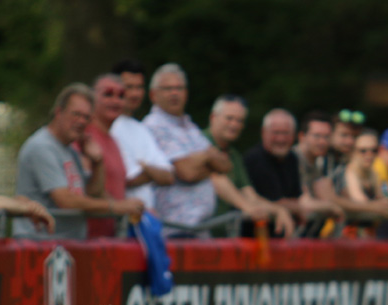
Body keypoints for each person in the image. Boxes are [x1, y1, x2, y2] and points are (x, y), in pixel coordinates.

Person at [15, 83, 143, 239]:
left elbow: (93, 193)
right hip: (39, 244)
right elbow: (66, 201)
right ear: (58, 112)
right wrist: (116, 207)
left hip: (66, 245)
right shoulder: (42, 147)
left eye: (86, 117)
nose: (81, 121)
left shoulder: (70, 150)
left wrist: (98, 162)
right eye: (76, 114)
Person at [143, 63, 232, 237]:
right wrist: (208, 157)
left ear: (186, 93)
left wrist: (199, 161)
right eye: (168, 88)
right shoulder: (153, 127)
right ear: (153, 95)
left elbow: (225, 166)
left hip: (201, 229)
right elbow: (186, 173)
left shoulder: (190, 126)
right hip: (175, 228)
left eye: (179, 88)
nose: (174, 93)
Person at [203, 94, 295, 238]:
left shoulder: (235, 156)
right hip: (193, 233)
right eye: (229, 118)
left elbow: (250, 195)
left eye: (239, 120)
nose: (234, 124)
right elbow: (216, 179)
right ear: (213, 117)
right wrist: (248, 208)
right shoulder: (197, 142)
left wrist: (278, 210)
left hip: (220, 238)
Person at [244, 109, 340, 232]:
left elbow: (297, 198)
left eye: (286, 133)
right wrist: (326, 207)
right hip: (253, 240)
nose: (281, 139)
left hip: (281, 240)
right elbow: (277, 202)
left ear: (294, 135)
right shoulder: (255, 159)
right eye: (276, 132)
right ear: (263, 132)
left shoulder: (292, 158)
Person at [108, 59, 175, 217]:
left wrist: (143, 167)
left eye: (139, 87)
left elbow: (169, 176)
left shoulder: (141, 129)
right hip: (122, 220)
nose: (135, 94)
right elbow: (127, 178)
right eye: (129, 87)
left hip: (146, 219)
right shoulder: (110, 127)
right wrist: (150, 169)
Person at [79, 74, 135, 237]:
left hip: (113, 236)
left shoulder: (114, 141)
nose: (116, 101)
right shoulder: (84, 136)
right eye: (108, 94)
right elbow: (84, 186)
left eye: (121, 96)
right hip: (88, 237)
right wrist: (119, 206)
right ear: (91, 98)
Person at [340, 128, 388, 237]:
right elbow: (361, 203)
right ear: (353, 151)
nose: (369, 155)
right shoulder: (349, 172)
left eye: (374, 150)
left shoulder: (373, 173)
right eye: (363, 151)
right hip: (345, 238)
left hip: (367, 236)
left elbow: (381, 199)